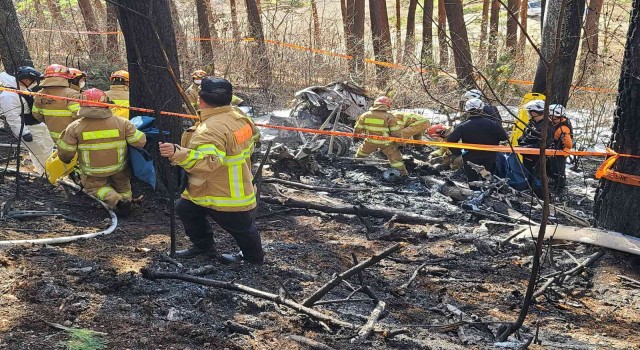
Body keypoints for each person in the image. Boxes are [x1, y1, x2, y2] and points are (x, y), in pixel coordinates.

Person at [159, 77, 264, 264]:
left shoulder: (210, 129)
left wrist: (177, 153)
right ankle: (204, 247)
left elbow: (207, 163)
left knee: (241, 227)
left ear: (201, 99)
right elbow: (255, 135)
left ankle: (254, 259)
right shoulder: (238, 115)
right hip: (219, 186)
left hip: (224, 192)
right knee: (185, 208)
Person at [57, 89, 146, 216]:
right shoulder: (122, 123)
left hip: (93, 171)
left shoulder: (75, 127)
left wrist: (66, 160)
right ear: (106, 104)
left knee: (95, 188)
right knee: (124, 186)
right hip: (119, 167)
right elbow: (139, 142)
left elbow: (66, 153)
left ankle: (117, 200)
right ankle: (127, 202)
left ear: (82, 104)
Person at [0, 66, 54, 174]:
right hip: (28, 127)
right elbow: (13, 117)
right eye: (32, 81)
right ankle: (46, 174)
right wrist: (24, 133)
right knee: (39, 152)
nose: (33, 83)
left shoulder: (23, 89)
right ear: (26, 80)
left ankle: (49, 169)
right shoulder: (9, 96)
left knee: (48, 147)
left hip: (38, 124)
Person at [446, 98, 508, 183]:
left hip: (471, 157)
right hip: (489, 156)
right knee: (487, 178)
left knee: (473, 180)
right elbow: (504, 137)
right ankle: (487, 192)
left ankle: (475, 193)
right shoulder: (493, 124)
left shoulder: (463, 126)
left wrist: (458, 152)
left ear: (467, 111)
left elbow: (451, 140)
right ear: (482, 109)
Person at [353, 96, 407, 175]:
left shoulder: (365, 115)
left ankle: (355, 163)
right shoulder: (389, 117)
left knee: (361, 152)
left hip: (370, 141)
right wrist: (401, 144)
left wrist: (356, 137)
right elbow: (396, 133)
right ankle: (403, 174)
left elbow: (358, 128)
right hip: (386, 143)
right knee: (396, 159)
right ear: (387, 105)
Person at [31, 64, 81, 142]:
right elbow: (80, 116)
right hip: (73, 137)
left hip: (54, 137)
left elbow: (36, 114)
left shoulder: (39, 95)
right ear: (65, 78)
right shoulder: (72, 94)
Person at [518, 99, 554, 186]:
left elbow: (542, 145)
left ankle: (538, 195)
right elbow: (525, 136)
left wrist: (526, 148)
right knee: (529, 177)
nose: (529, 114)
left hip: (536, 159)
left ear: (534, 113)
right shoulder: (533, 123)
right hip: (528, 156)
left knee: (536, 179)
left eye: (529, 112)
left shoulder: (546, 126)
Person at [548, 103, 573, 191]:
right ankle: (555, 183)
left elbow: (569, 144)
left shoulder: (563, 128)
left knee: (558, 170)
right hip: (555, 150)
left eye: (555, 118)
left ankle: (559, 187)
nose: (553, 120)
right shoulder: (558, 124)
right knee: (552, 168)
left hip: (560, 152)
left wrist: (562, 149)